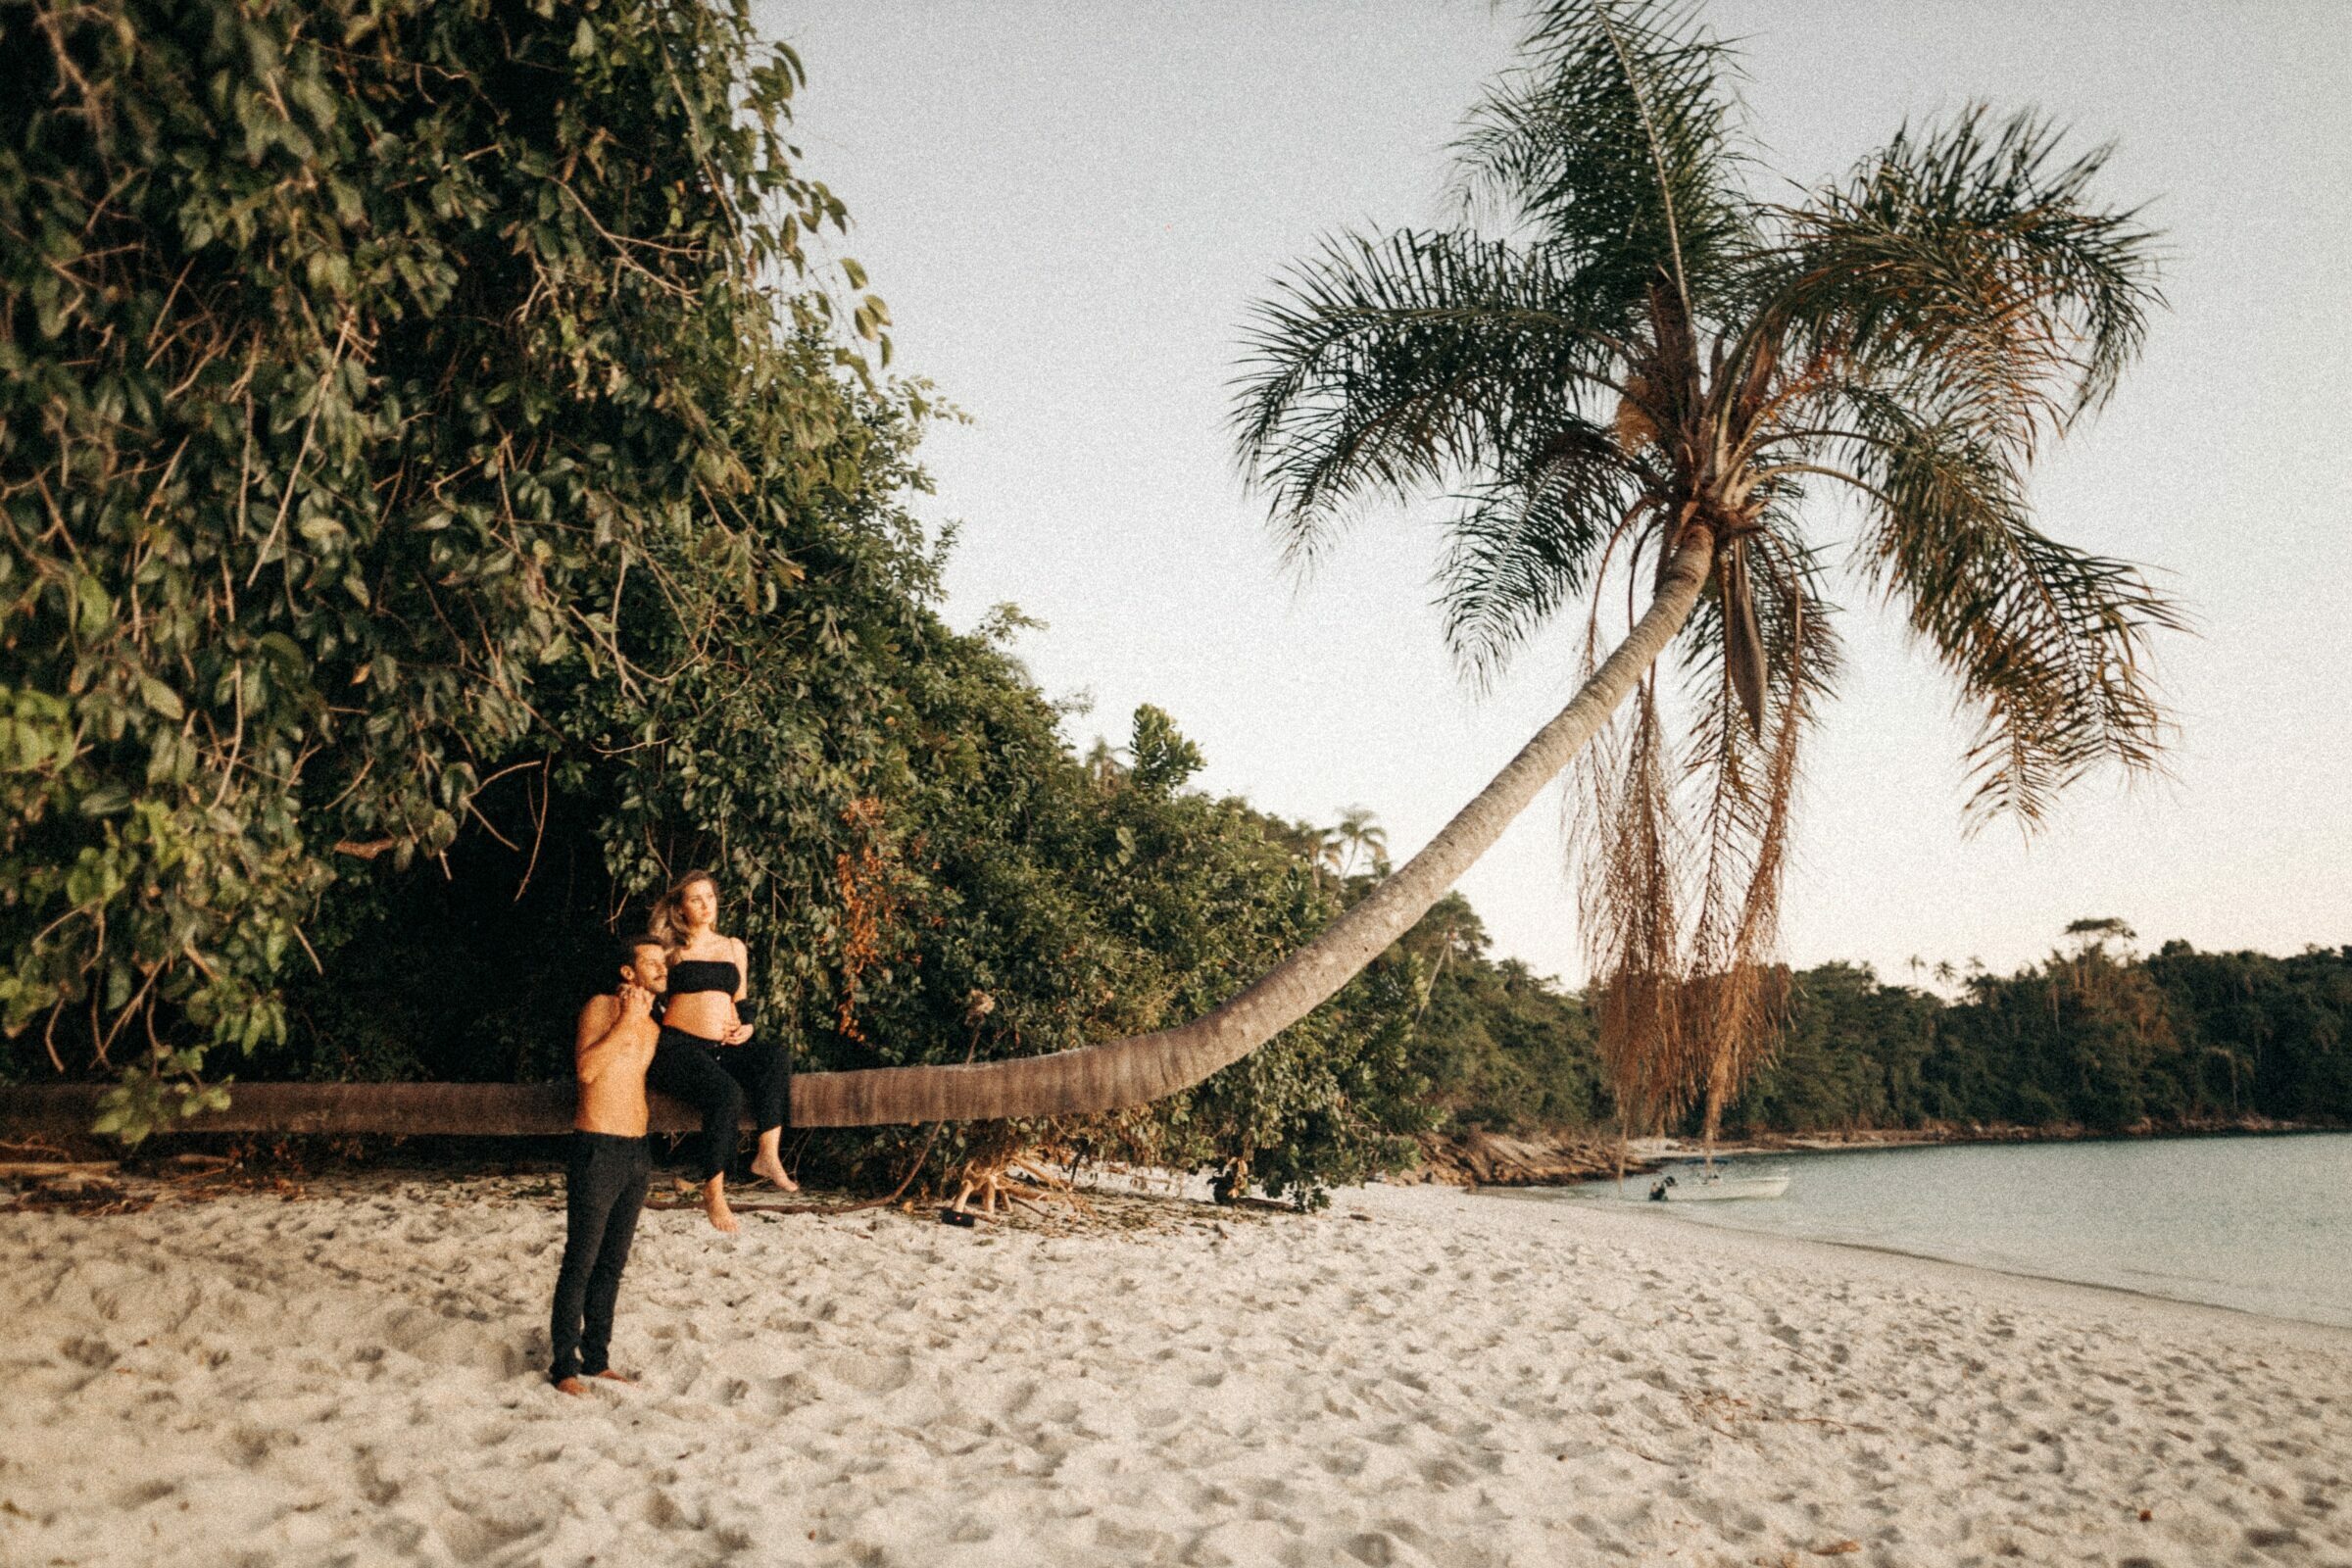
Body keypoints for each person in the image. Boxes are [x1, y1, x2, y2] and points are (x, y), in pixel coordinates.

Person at [645, 869, 794, 1234]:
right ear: (680, 908)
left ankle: (767, 1154)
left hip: (724, 1046)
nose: (705, 905)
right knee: (725, 1092)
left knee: (775, 1056)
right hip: (678, 1046)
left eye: (709, 897)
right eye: (695, 899)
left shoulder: (733, 947)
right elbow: (648, 995)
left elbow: (740, 1000)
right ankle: (713, 1192)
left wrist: (748, 1026)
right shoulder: (670, 950)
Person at [550, 935, 664, 1396]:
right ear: (627, 972)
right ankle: (563, 1368)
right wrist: (627, 1020)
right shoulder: (601, 1007)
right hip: (597, 1147)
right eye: (651, 961)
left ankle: (597, 1359)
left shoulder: (655, 1025)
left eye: (664, 961)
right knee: (581, 1260)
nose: (661, 967)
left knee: (612, 1264)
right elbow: (587, 1070)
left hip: (637, 1153)